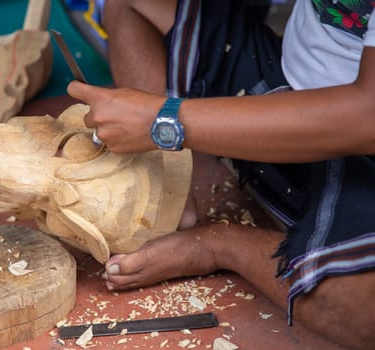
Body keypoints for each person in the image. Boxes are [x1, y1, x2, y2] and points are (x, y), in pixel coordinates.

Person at [67, 0, 375, 348]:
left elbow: (366, 118)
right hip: (279, 78)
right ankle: (167, 182)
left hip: (358, 138)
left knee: (360, 309)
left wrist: (167, 121)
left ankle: (219, 245)